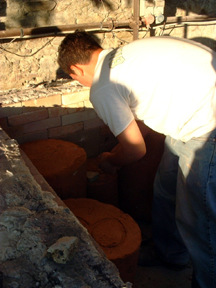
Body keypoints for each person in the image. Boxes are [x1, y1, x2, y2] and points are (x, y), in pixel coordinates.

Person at [58, 30, 216, 288]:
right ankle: (171, 254)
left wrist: (112, 159)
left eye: (73, 77)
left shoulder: (103, 84)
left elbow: (135, 149)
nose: (77, 82)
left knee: (200, 220)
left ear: (75, 68)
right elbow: (138, 126)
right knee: (165, 190)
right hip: (195, 109)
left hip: (206, 124)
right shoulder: (125, 55)